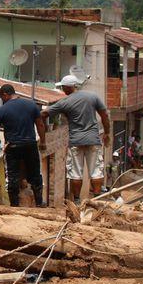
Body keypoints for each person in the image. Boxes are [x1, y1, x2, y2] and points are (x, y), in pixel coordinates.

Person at [41, 74, 111, 202]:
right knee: (96, 170)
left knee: (75, 173)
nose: (62, 90)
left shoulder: (65, 102)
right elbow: (104, 115)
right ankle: (97, 198)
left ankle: (77, 200)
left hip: (75, 141)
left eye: (63, 87)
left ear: (68, 87)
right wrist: (107, 133)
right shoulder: (93, 96)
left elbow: (44, 113)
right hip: (93, 139)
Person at [0, 84, 47, 207]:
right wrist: (43, 142)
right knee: (35, 173)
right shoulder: (31, 105)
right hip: (30, 144)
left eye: (2, 97)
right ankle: (39, 202)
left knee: (13, 175)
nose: (3, 100)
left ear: (5, 94)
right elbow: (40, 124)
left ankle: (14, 205)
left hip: (13, 146)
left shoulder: (2, 110)